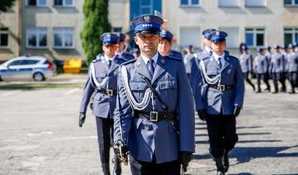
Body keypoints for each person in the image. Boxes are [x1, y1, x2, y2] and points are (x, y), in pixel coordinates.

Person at [113, 14, 195, 175]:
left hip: (169, 144)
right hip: (140, 145)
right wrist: (120, 140)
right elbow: (122, 111)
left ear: (159, 39)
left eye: (152, 36)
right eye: (143, 37)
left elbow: (186, 110)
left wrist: (187, 147)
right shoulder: (126, 71)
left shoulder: (176, 67)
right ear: (136, 40)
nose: (148, 41)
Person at [190, 31, 245, 175]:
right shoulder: (204, 63)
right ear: (211, 44)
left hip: (228, 105)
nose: (218, 46)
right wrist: (199, 106)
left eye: (221, 43)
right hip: (211, 106)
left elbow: (240, 84)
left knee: (231, 137)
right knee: (214, 139)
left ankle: (225, 152)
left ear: (225, 44)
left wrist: (238, 103)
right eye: (215, 43)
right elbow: (197, 85)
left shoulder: (233, 61)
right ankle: (219, 164)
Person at [79, 33, 126, 175]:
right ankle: (106, 170)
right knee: (103, 142)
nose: (110, 48)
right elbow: (88, 89)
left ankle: (117, 165)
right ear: (103, 47)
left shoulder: (123, 63)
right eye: (107, 45)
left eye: (112, 45)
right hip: (101, 107)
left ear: (116, 46)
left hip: (118, 106)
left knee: (118, 139)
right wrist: (82, 111)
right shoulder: (95, 66)